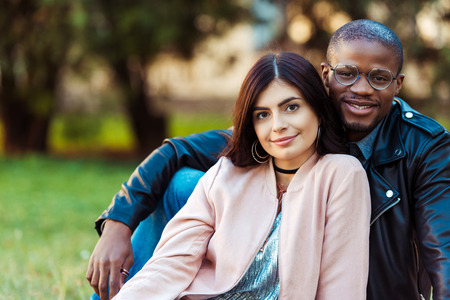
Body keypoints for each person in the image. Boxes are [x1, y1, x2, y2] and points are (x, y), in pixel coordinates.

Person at [86, 19, 450, 300]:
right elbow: (176, 152)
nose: (361, 88)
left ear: (397, 84)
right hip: (231, 270)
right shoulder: (275, 136)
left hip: (366, 281)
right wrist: (118, 223)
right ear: (326, 78)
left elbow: (441, 245)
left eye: (379, 78)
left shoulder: (421, 146)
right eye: (347, 74)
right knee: (181, 182)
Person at [110, 51, 371, 299]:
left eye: (291, 107)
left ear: (317, 109)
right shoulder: (226, 173)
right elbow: (172, 261)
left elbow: (341, 285)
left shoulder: (342, 175)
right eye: (262, 115)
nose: (277, 125)